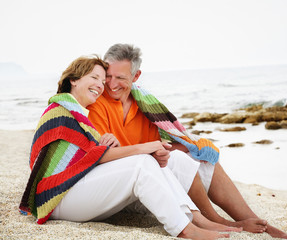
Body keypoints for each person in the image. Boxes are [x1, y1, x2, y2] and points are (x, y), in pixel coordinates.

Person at [87, 44, 287, 240]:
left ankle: (258, 223)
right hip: (127, 185)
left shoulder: (144, 104)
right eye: (108, 76)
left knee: (203, 159)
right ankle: (218, 221)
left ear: (136, 76)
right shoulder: (97, 104)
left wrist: (192, 147)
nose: (112, 84)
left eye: (120, 77)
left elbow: (159, 148)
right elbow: (107, 157)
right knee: (180, 160)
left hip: (151, 173)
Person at [19, 55, 242, 239]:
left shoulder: (80, 114)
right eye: (94, 77)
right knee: (141, 163)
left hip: (75, 190)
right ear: (74, 80)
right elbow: (93, 158)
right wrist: (145, 147)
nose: (100, 84)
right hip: (57, 197)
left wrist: (107, 145)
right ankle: (185, 229)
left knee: (153, 161)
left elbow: (90, 154)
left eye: (101, 79)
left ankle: (196, 218)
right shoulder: (61, 111)